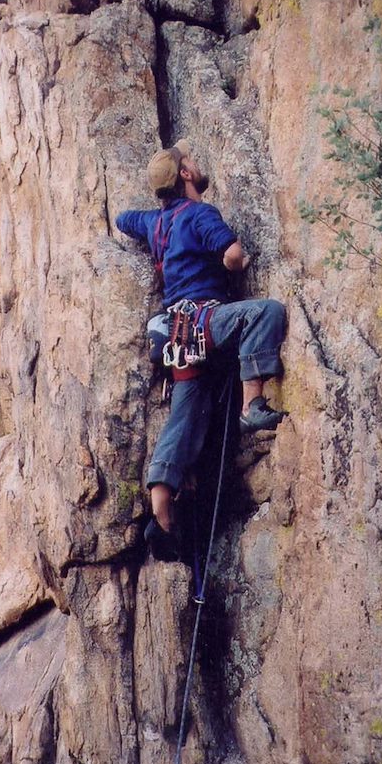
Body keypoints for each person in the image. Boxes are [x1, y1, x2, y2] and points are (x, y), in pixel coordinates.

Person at [116, 139, 287, 560]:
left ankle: (162, 496)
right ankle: (252, 406)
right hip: (205, 321)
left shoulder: (155, 224)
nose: (195, 161)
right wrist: (241, 263)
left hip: (177, 338)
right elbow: (231, 255)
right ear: (186, 175)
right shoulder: (200, 214)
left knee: (187, 412)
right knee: (264, 313)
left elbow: (123, 219)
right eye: (189, 160)